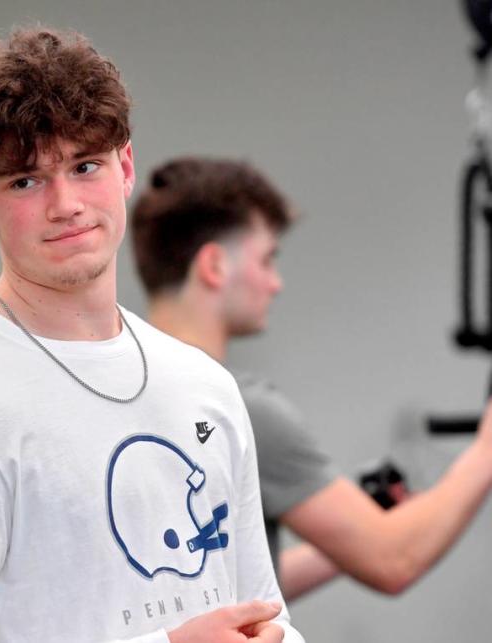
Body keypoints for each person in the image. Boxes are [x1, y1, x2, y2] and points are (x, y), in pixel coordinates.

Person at [0, 28, 301, 643]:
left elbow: (266, 615)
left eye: (85, 167)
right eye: (25, 180)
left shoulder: (204, 384)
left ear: (125, 166)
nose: (66, 204)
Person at [131, 156, 492, 602]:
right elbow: (394, 559)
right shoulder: (239, 408)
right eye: (267, 260)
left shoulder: (121, 393)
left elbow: (218, 585)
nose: (276, 283)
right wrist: (486, 451)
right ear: (214, 266)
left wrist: (337, 544)